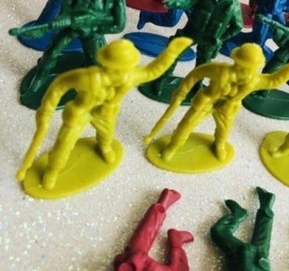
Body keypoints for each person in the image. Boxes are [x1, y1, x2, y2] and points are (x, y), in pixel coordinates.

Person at [16, 36, 192, 190]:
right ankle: (52, 171)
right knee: (64, 143)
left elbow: (153, 71)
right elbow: (59, 85)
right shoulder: (88, 77)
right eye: (117, 67)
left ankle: (104, 147)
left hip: (106, 113)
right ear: (106, 63)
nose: (121, 70)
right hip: (80, 112)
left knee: (106, 136)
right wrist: (47, 108)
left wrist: (171, 52)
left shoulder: (129, 77)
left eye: (125, 66)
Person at [144, 44, 289, 162]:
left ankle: (219, 145)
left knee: (223, 131)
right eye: (243, 66)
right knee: (186, 125)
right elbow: (196, 73)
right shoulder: (218, 70)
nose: (247, 70)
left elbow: (274, 81)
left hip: (228, 107)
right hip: (207, 100)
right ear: (236, 62)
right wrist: (182, 91)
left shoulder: (254, 80)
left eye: (251, 67)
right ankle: (173, 147)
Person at [10, 0, 127, 93]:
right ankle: (41, 75)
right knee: (52, 51)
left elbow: (119, 25)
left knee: (96, 61)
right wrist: (65, 20)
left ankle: (93, 84)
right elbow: (65, 11)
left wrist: (93, 27)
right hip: (71, 27)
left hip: (93, 31)